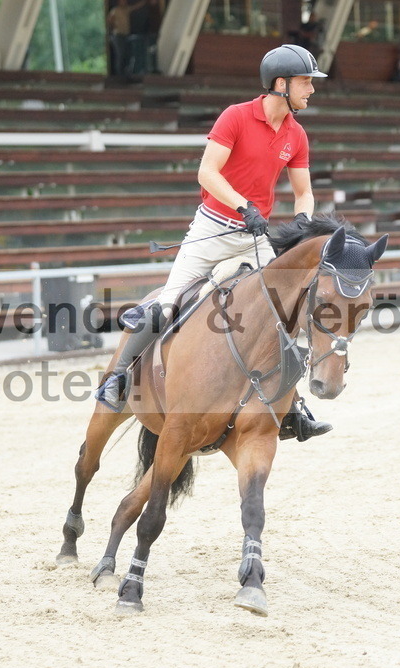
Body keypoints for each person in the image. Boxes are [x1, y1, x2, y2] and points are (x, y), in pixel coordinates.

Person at [95, 44, 332, 442]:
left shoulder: (297, 134)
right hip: (211, 232)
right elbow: (207, 172)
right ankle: (117, 380)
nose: (312, 89)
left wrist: (303, 219)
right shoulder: (236, 117)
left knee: (279, 317)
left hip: (254, 238)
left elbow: (303, 193)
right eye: (306, 82)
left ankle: (294, 409)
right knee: (166, 305)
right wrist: (245, 206)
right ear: (281, 84)